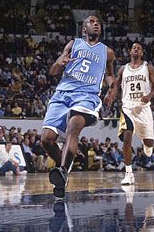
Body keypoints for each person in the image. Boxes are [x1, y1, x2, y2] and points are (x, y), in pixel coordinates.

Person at [40, 15, 116, 198]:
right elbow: (53, 71)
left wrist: (112, 90)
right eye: (91, 22)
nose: (96, 24)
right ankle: (64, 168)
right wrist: (60, 63)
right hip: (63, 94)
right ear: (84, 29)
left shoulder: (108, 52)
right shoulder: (73, 44)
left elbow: (110, 75)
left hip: (87, 96)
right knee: (46, 140)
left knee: (73, 126)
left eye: (98, 22)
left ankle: (63, 170)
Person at [116, 42, 154, 186]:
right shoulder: (123, 69)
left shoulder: (148, 67)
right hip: (128, 107)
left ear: (141, 53)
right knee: (127, 137)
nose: (136, 49)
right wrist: (110, 96)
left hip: (143, 108)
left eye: (139, 48)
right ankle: (129, 173)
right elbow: (116, 86)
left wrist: (149, 96)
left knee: (149, 142)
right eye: (133, 47)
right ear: (130, 51)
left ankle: (147, 145)